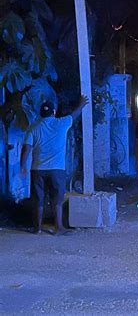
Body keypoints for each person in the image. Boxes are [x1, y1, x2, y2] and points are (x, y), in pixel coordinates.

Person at [20, 95, 89, 235]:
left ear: (41, 113)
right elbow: (74, 115)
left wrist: (22, 166)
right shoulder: (61, 123)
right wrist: (81, 104)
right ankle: (58, 227)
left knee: (38, 199)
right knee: (57, 198)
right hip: (57, 169)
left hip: (37, 169)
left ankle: (37, 228)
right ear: (54, 112)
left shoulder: (33, 128)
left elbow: (26, 148)